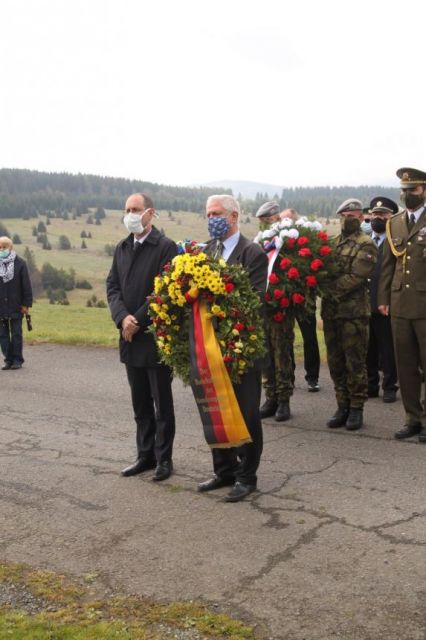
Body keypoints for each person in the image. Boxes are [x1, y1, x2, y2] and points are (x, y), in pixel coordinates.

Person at [197, 194, 268, 502]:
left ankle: (247, 475)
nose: (211, 218)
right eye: (208, 213)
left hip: (241, 349)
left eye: (216, 213)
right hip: (209, 347)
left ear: (234, 216)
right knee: (216, 409)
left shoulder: (252, 253)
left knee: (245, 412)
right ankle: (223, 469)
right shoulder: (207, 251)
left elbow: (251, 301)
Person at [106, 193, 178, 480]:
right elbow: (112, 286)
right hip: (128, 337)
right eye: (127, 210)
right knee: (140, 403)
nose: (130, 214)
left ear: (150, 213)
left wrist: (139, 318)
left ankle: (164, 459)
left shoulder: (165, 247)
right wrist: (123, 317)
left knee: (162, 403)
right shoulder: (122, 247)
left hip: (154, 337)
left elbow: (166, 290)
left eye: (135, 209)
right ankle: (144, 455)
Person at [378, 167, 426, 442]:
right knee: (405, 365)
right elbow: (388, 265)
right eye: (404, 190)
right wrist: (384, 298)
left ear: (424, 191)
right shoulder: (394, 222)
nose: (407, 194)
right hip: (399, 304)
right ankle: (412, 418)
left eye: (413, 190)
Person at [321, 199, 378, 430]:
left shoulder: (367, 245)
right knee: (336, 362)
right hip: (331, 314)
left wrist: (326, 289)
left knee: (355, 362)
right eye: (345, 215)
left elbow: (356, 277)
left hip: (353, 315)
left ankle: (356, 408)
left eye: (353, 215)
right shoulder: (333, 243)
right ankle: (342, 404)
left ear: (362, 217)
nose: (349, 219)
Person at [256, 202, 295, 422]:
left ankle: (284, 400)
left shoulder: (287, 242)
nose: (265, 225)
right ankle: (270, 396)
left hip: (281, 309)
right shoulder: (260, 242)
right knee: (266, 355)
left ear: (277, 219)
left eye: (268, 220)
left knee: (282, 355)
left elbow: (294, 272)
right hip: (263, 309)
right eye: (262, 221)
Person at [280, 208, 321, 392]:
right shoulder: (279, 242)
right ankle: (289, 375)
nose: (285, 223)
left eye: (288, 219)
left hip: (305, 298)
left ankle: (313, 377)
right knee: (286, 338)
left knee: (310, 337)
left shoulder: (308, 242)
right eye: (283, 220)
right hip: (284, 299)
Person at [366, 197, 399, 403]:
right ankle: (371, 385)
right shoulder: (364, 239)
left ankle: (389, 386)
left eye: (383, 214)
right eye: (375, 214)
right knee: (368, 348)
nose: (378, 218)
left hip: (386, 303)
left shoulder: (396, 242)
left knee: (387, 348)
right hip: (364, 303)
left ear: (391, 217)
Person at [0, 236, 32, 370]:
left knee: (17, 333)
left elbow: (26, 286)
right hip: (1, 306)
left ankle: (18, 360)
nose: (1, 250)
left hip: (16, 306)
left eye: (4, 247)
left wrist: (26, 304)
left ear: (10, 247)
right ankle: (8, 359)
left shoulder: (20, 263)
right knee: (3, 335)